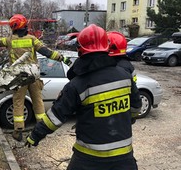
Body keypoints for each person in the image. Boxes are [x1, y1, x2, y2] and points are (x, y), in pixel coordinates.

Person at [25, 24, 142, 170]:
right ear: (107, 47)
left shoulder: (77, 85)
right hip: (124, 159)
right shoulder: (125, 76)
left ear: (80, 49)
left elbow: (55, 117)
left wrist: (35, 135)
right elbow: (136, 107)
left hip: (88, 159)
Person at [0, 14, 72, 141]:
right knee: (38, 102)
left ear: (13, 27)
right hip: (33, 76)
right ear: (24, 25)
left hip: (18, 77)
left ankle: (18, 130)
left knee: (18, 102)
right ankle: (41, 127)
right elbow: (46, 52)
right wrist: (62, 58)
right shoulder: (32, 39)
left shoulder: (10, 40)